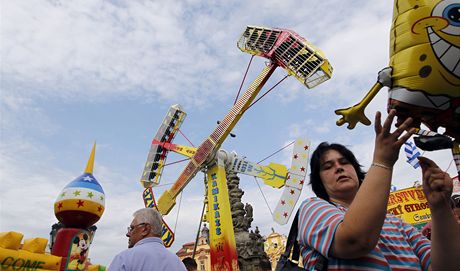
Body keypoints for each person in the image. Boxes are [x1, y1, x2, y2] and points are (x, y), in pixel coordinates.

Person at [297, 110, 460, 270]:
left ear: (355, 169)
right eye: (328, 167)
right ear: (319, 181)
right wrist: (383, 161)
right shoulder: (312, 208)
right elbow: (354, 241)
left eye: (344, 162)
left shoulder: (397, 223)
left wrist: (440, 207)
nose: (339, 168)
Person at [109, 208, 186, 271]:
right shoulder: (178, 263)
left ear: (145, 229)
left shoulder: (125, 258)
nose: (128, 234)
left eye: (132, 228)